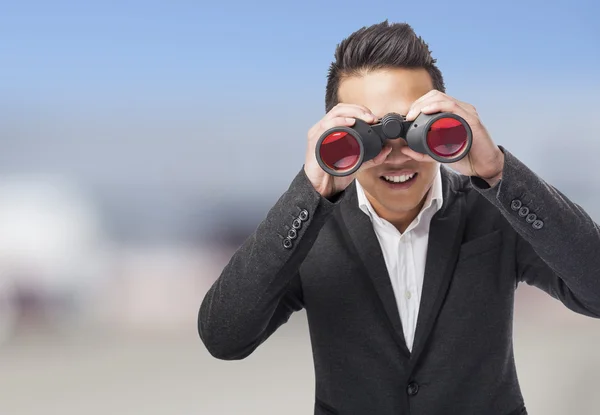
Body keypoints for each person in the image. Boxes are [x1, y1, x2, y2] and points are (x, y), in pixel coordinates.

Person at [198, 20, 600, 415]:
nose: (395, 154)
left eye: (413, 129)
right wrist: (310, 190)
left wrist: (496, 171)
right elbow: (224, 336)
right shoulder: (309, 229)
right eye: (367, 134)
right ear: (336, 133)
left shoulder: (494, 210)